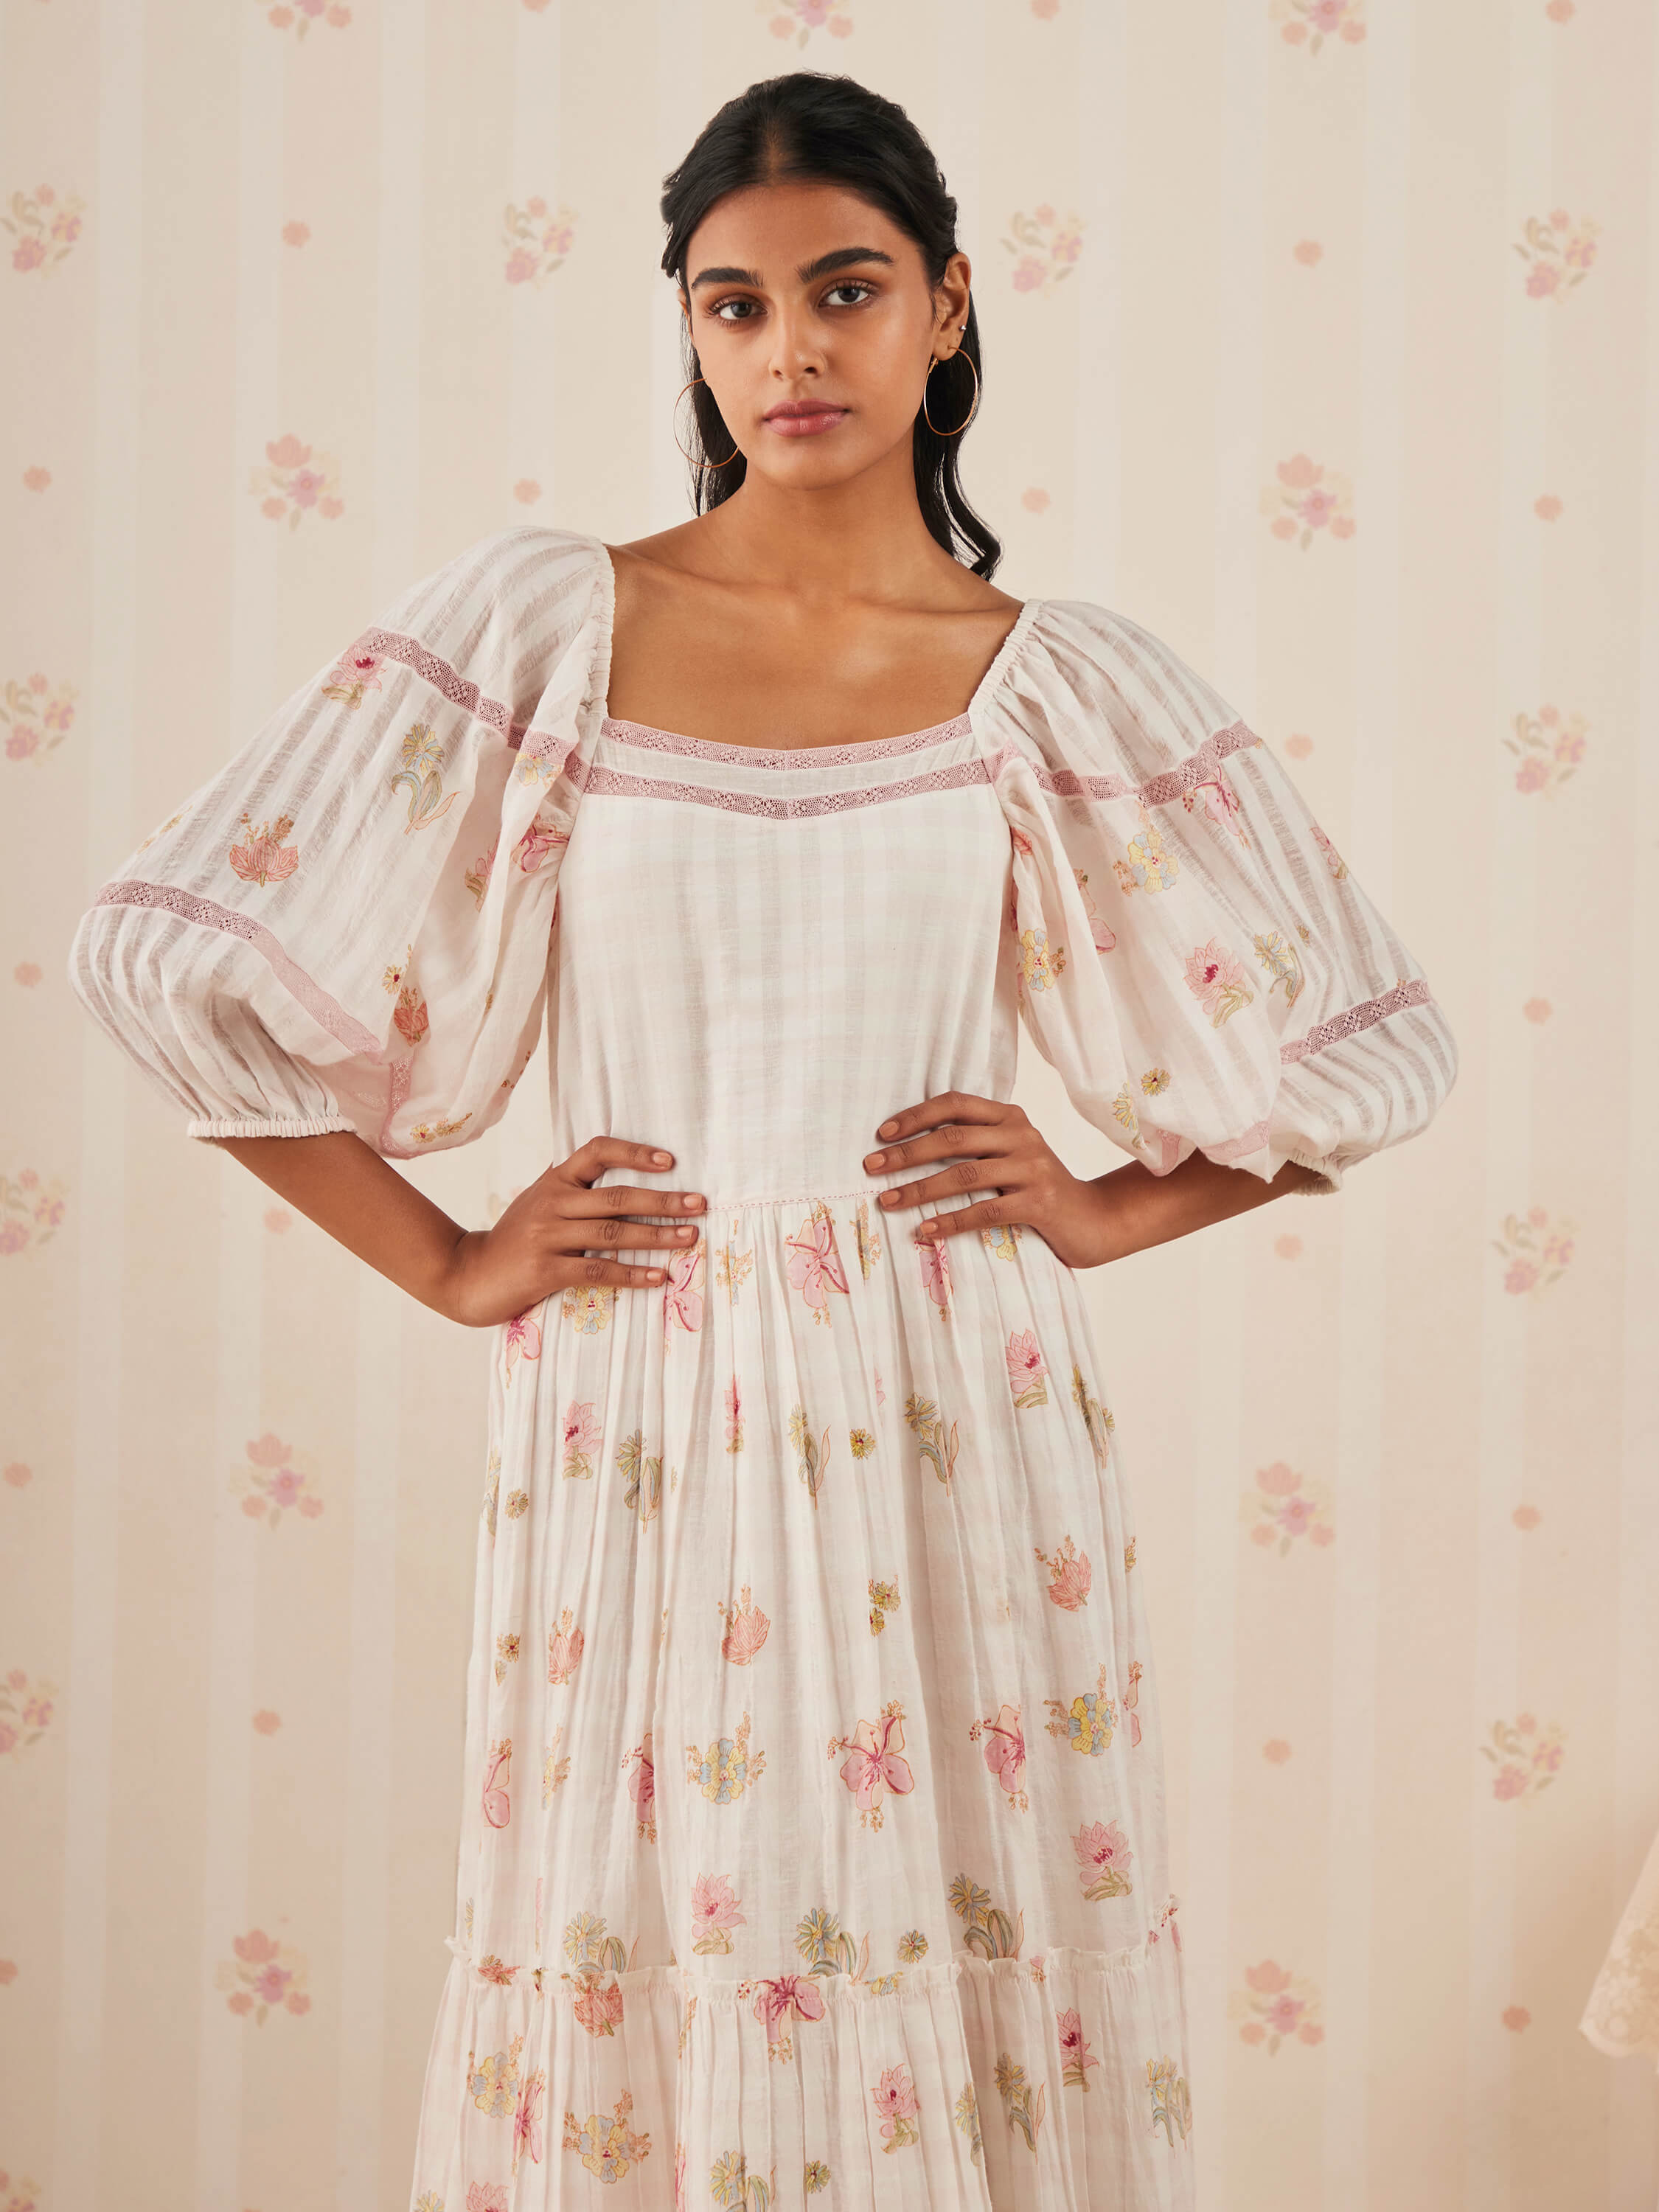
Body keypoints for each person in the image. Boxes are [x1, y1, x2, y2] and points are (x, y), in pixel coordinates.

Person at [66, 69, 1457, 2212]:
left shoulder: (1047, 684)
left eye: (842, 290)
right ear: (689, 335)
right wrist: (448, 1258)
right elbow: (169, 962)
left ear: (948, 307)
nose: (788, 350)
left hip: (955, 1418)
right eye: (731, 306)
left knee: (957, 1936)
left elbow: (1369, 1039)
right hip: (638, 1406)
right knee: (660, 1924)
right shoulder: (549, 628)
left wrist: (1100, 1207)